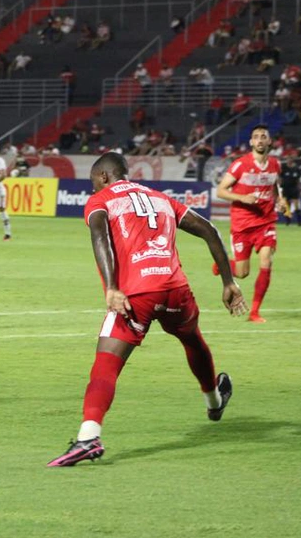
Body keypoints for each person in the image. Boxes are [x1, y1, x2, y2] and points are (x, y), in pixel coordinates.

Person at [47, 152, 247, 467]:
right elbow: (209, 229)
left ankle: (88, 438)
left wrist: (112, 287)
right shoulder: (161, 198)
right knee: (192, 339)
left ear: (103, 177)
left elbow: (100, 236)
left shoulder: (102, 199)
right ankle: (214, 401)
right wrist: (228, 282)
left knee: (106, 365)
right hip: (176, 290)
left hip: (136, 295)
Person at [214, 125, 287, 323]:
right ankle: (223, 265)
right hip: (242, 224)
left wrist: (279, 200)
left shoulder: (275, 164)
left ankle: (254, 312)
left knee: (266, 261)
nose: (260, 140)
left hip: (266, 222)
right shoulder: (240, 165)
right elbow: (220, 191)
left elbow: (274, 187)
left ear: (270, 141)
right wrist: (242, 198)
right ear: (251, 142)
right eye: (256, 137)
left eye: (264, 136)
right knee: (242, 273)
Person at [278, 156, 301, 226]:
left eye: (290, 160)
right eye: (288, 160)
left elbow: (298, 180)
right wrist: (279, 187)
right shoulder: (283, 168)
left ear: (293, 161)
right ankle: (288, 222)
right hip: (285, 189)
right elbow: (280, 178)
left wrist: (300, 189)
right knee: (286, 206)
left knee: (296, 206)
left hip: (294, 189)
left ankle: (299, 222)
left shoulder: (296, 169)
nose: (288, 161)